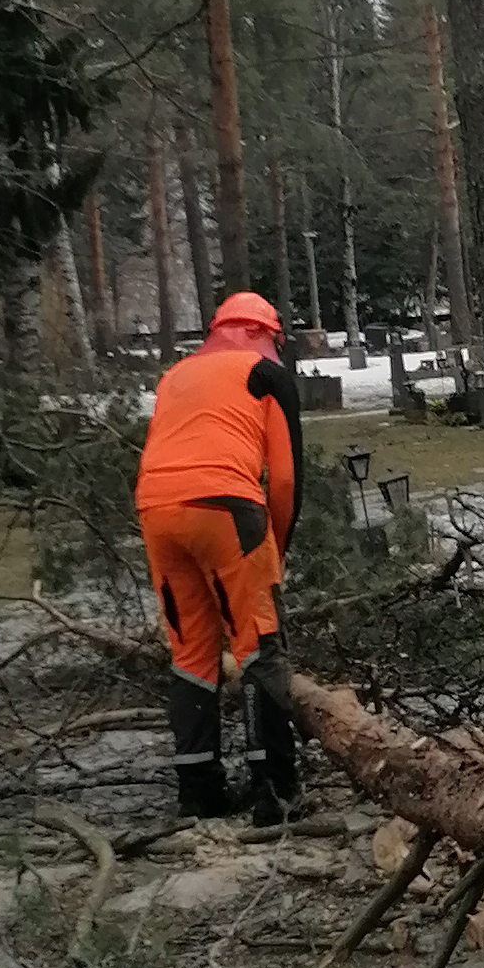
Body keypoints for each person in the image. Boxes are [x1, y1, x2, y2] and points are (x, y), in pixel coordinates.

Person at [136, 291, 305, 824]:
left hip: (156, 509)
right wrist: (276, 548)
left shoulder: (175, 375)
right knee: (257, 646)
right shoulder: (266, 375)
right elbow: (283, 478)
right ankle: (274, 793)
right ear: (266, 335)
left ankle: (198, 792)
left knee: (190, 653)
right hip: (229, 507)